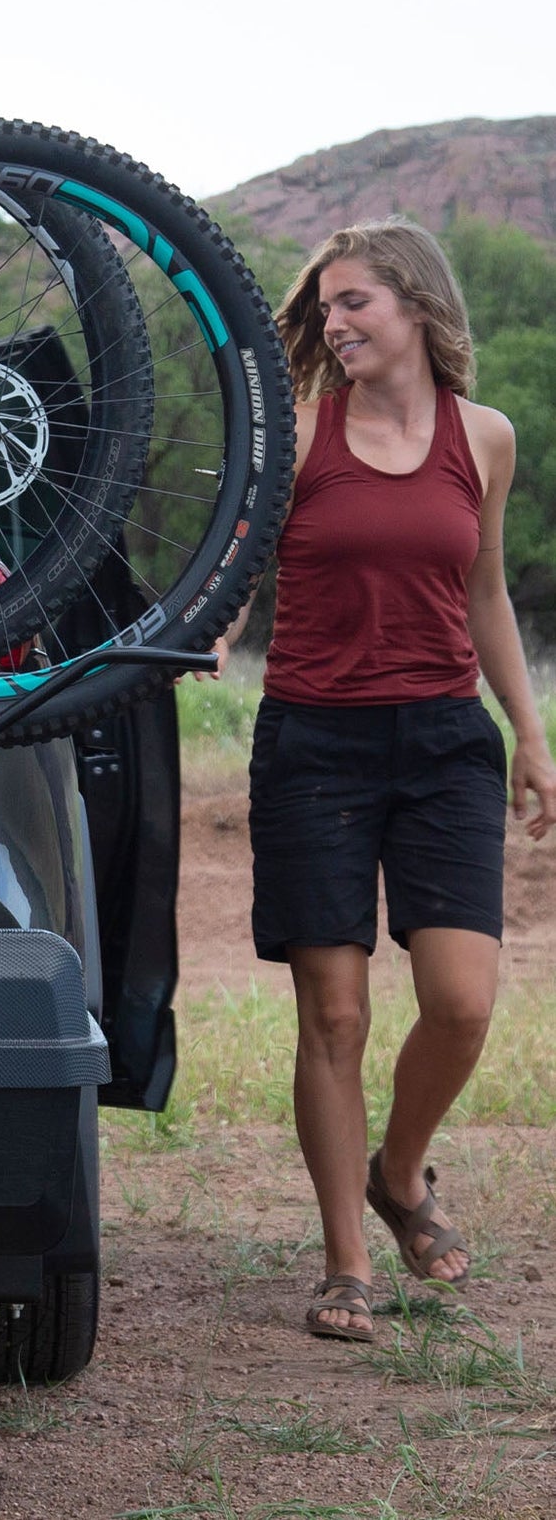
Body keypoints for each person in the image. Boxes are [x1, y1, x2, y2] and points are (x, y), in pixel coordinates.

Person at [216, 219, 555, 1343]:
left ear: (416, 302)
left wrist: (529, 733)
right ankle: (345, 1262)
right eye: (323, 306)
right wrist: (214, 628)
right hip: (313, 742)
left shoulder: (484, 438)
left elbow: (484, 593)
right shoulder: (298, 436)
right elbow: (239, 564)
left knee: (461, 1002)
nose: (332, 321)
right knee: (335, 1012)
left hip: (445, 741)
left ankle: (397, 1171)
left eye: (353, 300)